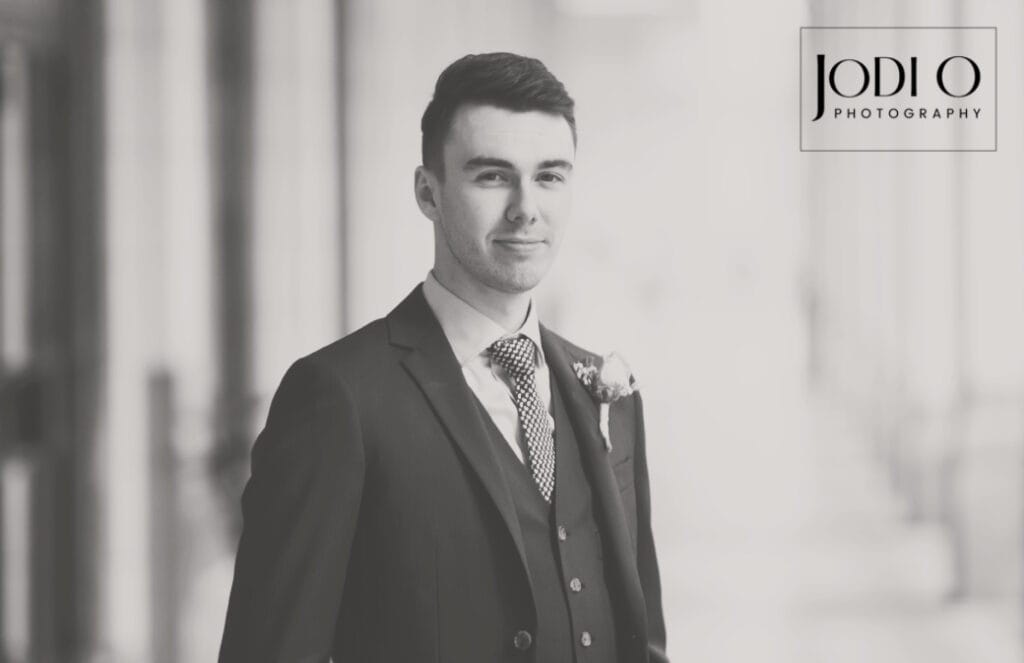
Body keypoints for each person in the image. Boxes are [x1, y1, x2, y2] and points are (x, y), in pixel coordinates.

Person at [219, 52, 668, 663]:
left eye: (550, 176)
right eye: (492, 176)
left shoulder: (608, 394)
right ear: (428, 193)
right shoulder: (337, 397)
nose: (525, 208)